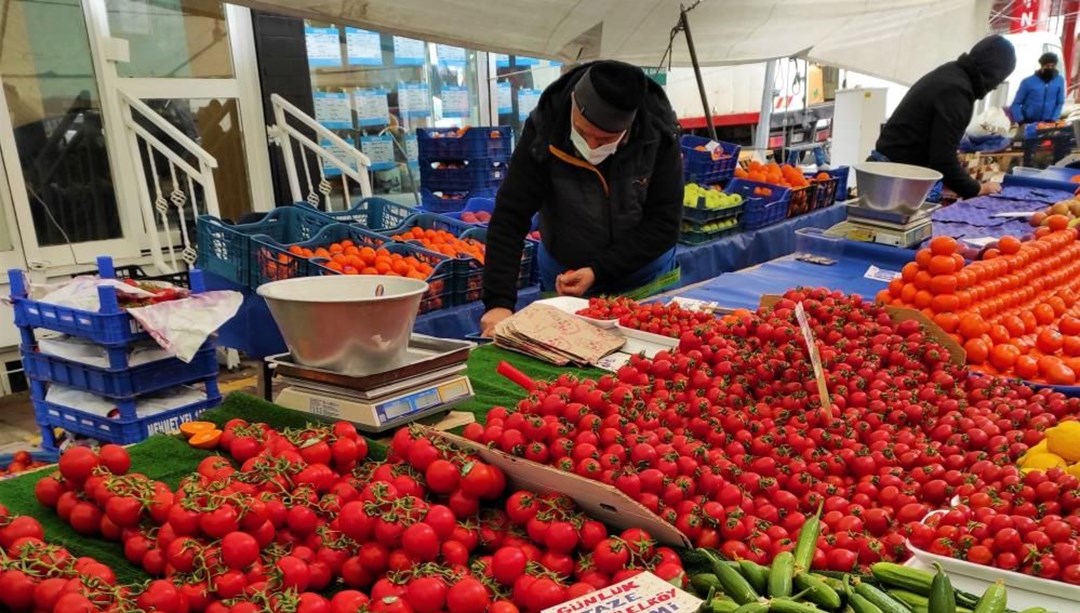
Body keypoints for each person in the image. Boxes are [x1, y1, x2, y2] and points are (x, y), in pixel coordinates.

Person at [479, 60, 683, 336]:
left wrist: (599, 270)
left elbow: (665, 223)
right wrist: (498, 302)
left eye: (606, 139)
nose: (592, 145)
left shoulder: (659, 134)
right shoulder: (544, 128)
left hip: (643, 276)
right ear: (574, 102)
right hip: (566, 275)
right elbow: (510, 216)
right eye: (584, 132)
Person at [871, 35, 1017, 200]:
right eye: (1000, 79)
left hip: (891, 170)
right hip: (895, 178)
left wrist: (953, 182)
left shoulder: (952, 74)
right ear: (994, 74)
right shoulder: (957, 92)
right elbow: (942, 159)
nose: (996, 87)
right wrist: (976, 188)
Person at [1010, 52, 1066, 125]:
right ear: (1042, 66)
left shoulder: (1059, 81)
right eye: (1047, 66)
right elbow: (1016, 103)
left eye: (1053, 66)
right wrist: (1020, 120)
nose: (1050, 68)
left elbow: (1060, 102)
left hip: (1049, 123)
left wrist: (1053, 119)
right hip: (1028, 122)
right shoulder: (1027, 82)